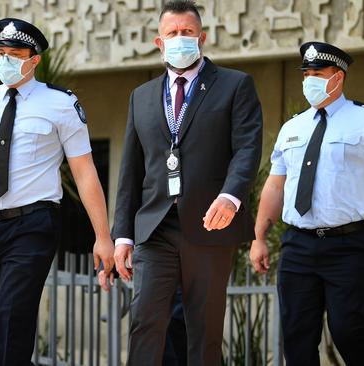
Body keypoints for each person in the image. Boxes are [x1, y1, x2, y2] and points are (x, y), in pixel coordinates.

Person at [0, 18, 115, 365]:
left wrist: (103, 236)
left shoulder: (60, 104)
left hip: (32, 225)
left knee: (13, 313)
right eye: (0, 53)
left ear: (34, 60)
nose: (5, 60)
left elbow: (85, 173)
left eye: (14, 54)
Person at [110, 1, 263, 364]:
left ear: (202, 38)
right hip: (155, 227)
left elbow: (247, 148)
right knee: (145, 321)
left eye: (187, 33)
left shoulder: (235, 85)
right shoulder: (142, 96)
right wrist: (123, 235)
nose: (180, 39)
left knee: (204, 331)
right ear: (158, 43)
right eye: (172, 34)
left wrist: (230, 196)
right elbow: (131, 169)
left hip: (211, 224)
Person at [250, 41, 364, 365]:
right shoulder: (292, 127)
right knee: (297, 335)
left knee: (347, 327)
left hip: (348, 244)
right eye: (306, 73)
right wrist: (260, 238)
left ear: (338, 76)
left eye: (317, 73)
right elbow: (276, 186)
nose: (310, 80)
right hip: (297, 244)